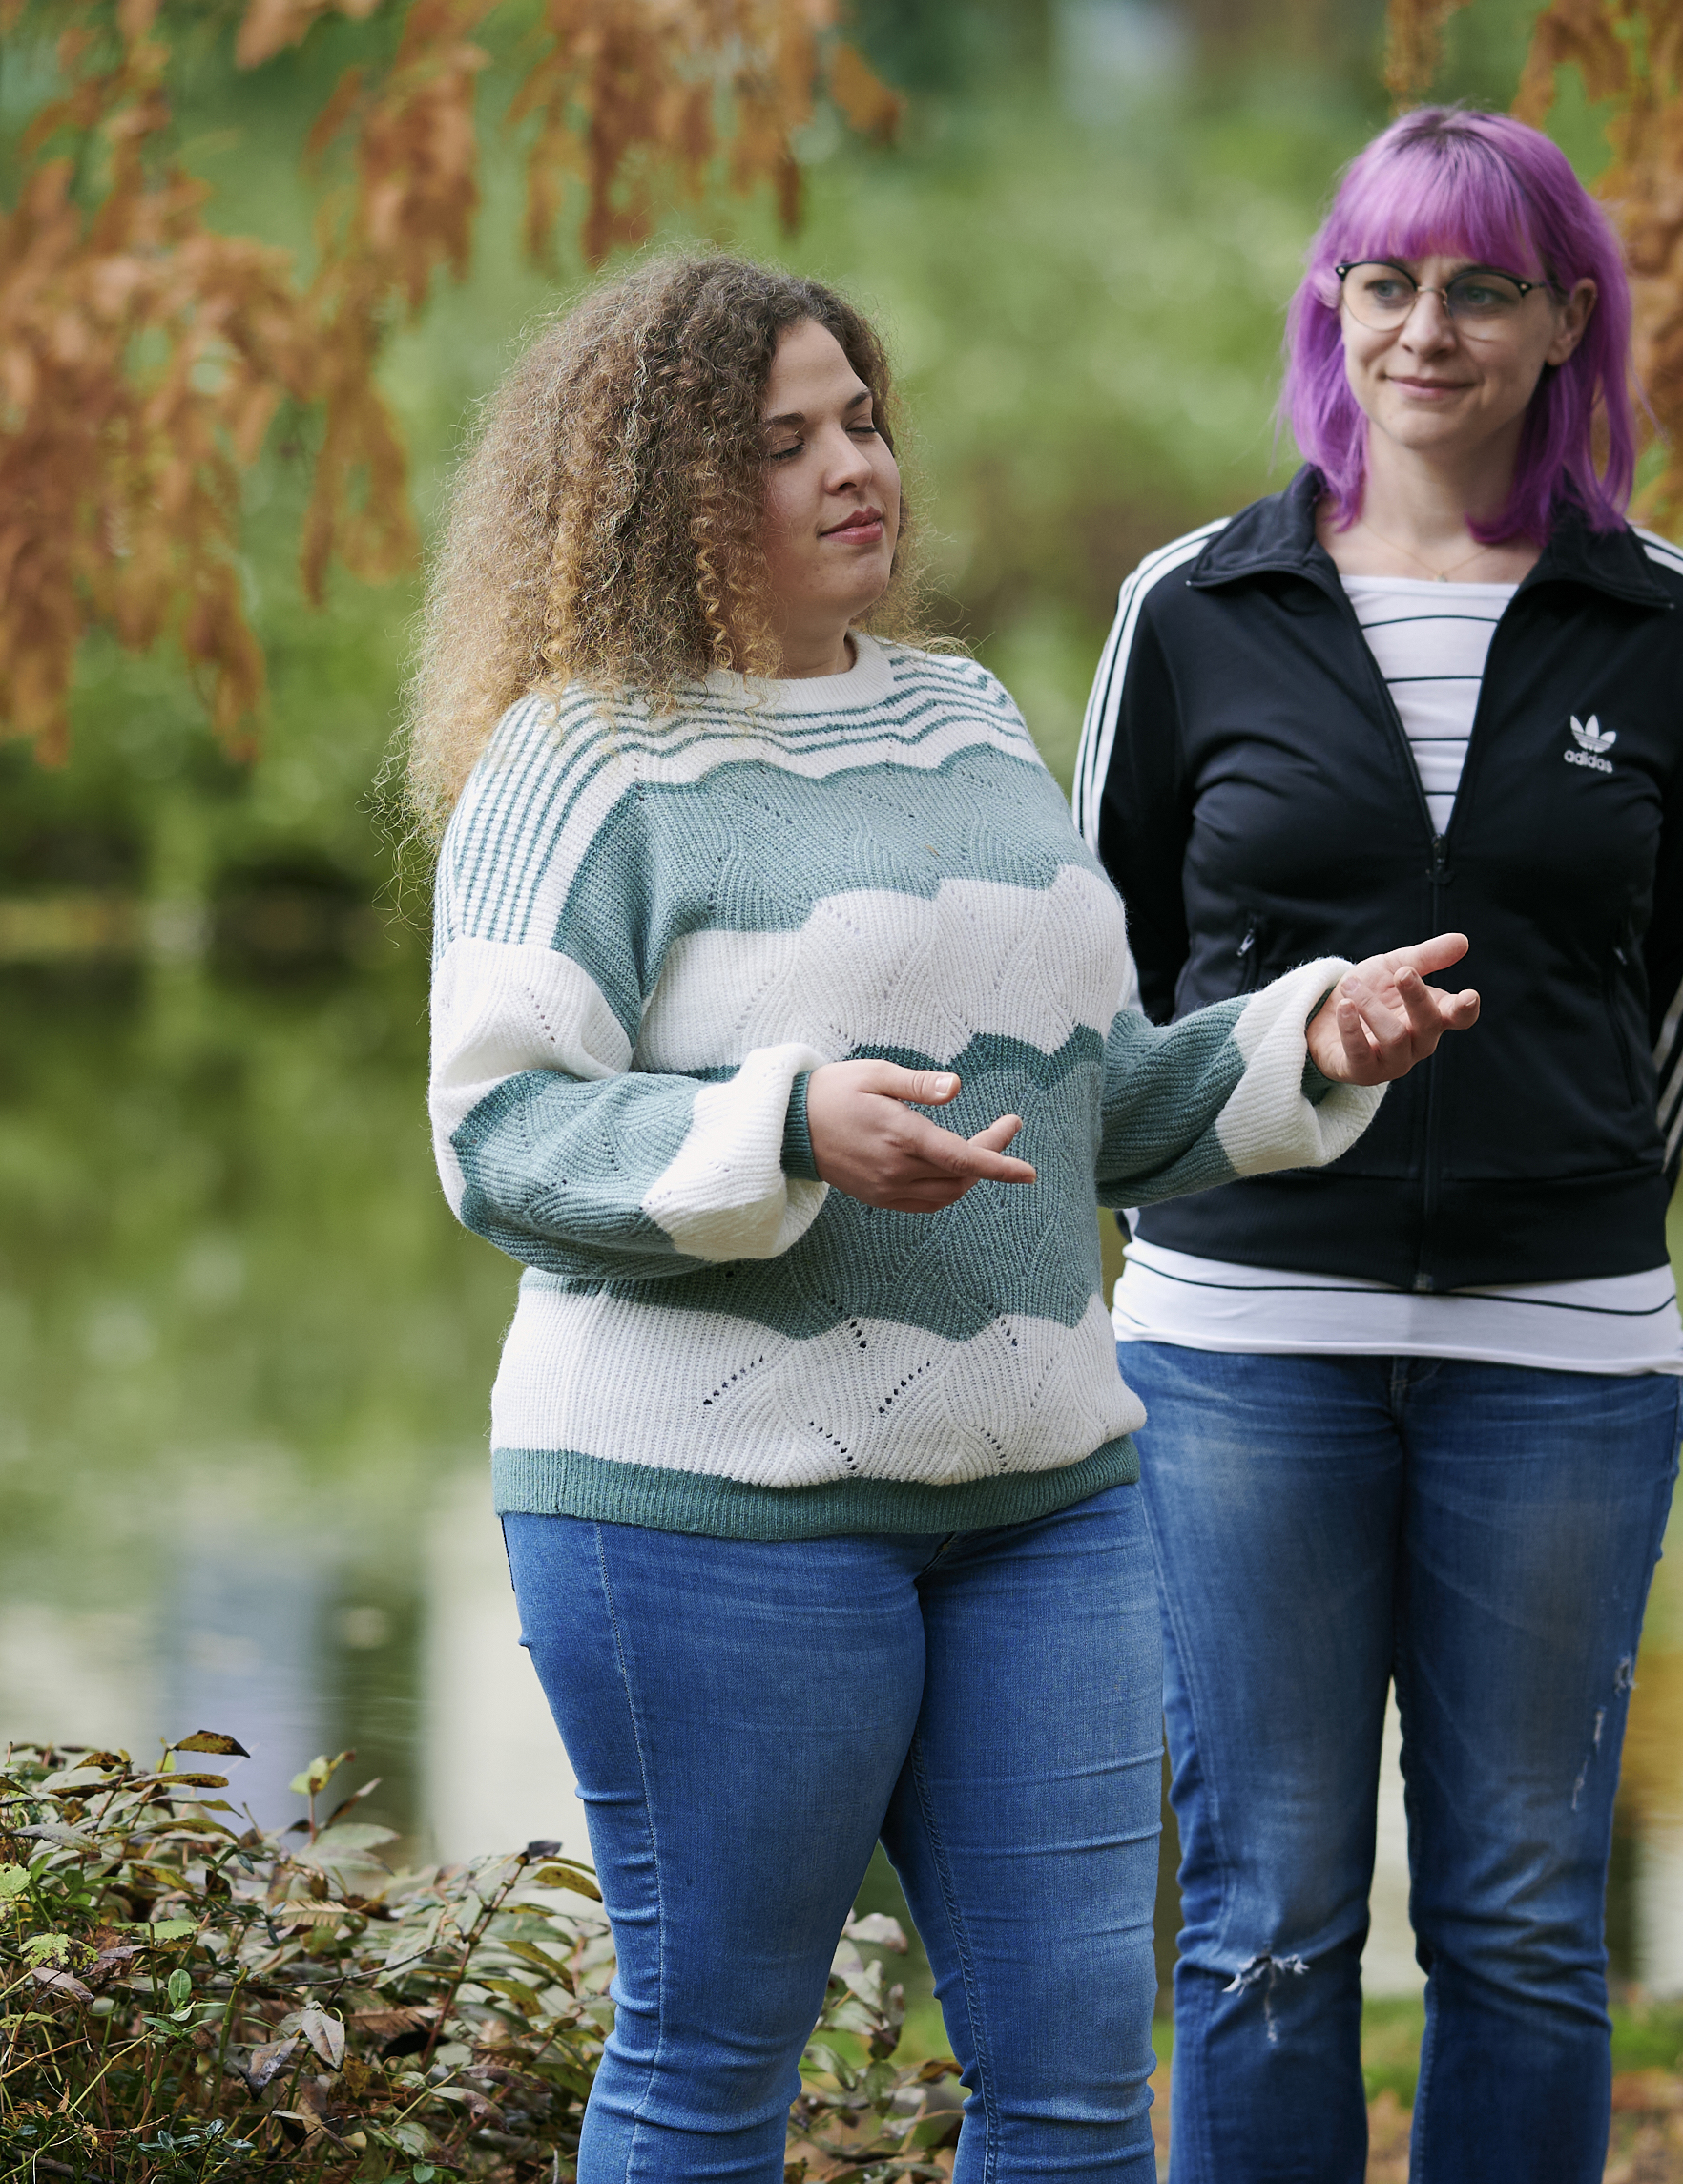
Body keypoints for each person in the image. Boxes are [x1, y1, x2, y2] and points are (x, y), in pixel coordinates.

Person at [413, 251, 1490, 2184]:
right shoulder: (581, 758)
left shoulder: (966, 716)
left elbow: (1078, 1108)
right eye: (782, 441)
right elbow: (503, 1136)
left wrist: (1303, 1035)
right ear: (659, 489)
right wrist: (788, 1128)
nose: (855, 466)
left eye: (861, 419)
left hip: (1043, 1500)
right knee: (714, 2063)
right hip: (711, 1512)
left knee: (1080, 2091)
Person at [1074, 107, 1683, 2183]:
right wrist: (1206, 1181)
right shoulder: (1193, 605)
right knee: (1267, 1921)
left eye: (1479, 288)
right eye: (1386, 282)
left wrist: (1576, 1194)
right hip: (1240, 1346)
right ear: (1333, 306)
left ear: (1565, 320)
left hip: (1561, 1354)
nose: (1427, 329)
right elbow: (1098, 987)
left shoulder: (1667, 620)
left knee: (1525, 1924)